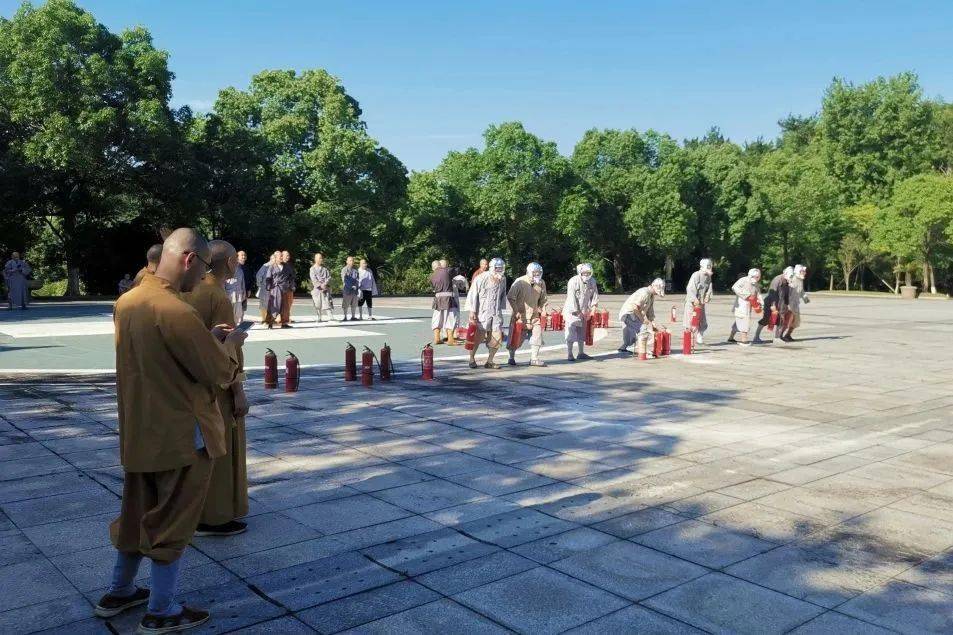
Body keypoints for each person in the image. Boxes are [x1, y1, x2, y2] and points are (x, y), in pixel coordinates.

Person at [95, 228, 246, 633]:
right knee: (173, 521)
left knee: (135, 514)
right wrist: (229, 345)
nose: (202, 278)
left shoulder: (128, 302)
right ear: (189, 260)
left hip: (141, 429)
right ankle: (162, 611)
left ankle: (119, 590)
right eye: (201, 268)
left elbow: (163, 358)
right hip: (182, 433)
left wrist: (207, 339)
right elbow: (215, 372)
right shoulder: (176, 310)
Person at [184, 240, 249, 538]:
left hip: (193, 382)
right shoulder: (217, 296)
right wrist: (238, 390)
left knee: (201, 450)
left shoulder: (190, 290)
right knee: (221, 450)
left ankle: (195, 510)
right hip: (220, 385)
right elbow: (227, 347)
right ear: (232, 263)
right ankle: (216, 516)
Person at [466, 257, 507, 369]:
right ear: (492, 267)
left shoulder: (503, 279)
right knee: (478, 338)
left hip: (496, 312)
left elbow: (503, 294)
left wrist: (502, 308)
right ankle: (471, 358)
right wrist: (472, 311)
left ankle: (490, 361)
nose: (499, 270)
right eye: (497, 268)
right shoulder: (481, 278)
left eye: (501, 268)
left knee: (497, 337)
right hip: (482, 312)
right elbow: (473, 294)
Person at [506, 262, 549, 367]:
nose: (537, 274)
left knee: (537, 337)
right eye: (534, 272)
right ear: (529, 272)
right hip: (520, 316)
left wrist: (544, 310)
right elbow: (511, 297)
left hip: (534, 316)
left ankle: (534, 358)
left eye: (539, 272)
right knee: (516, 340)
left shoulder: (541, 283)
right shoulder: (519, 281)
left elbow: (543, 299)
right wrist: (516, 311)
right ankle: (511, 357)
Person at [618, 278, 666, 354]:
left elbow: (650, 311)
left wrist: (653, 323)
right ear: (654, 287)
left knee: (631, 337)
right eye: (658, 292)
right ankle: (642, 351)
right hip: (628, 313)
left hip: (633, 314)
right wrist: (643, 320)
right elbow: (635, 307)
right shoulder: (645, 293)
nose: (657, 294)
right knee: (643, 330)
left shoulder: (651, 296)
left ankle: (623, 348)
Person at [563, 263, 600, 361]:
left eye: (588, 273)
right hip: (572, 312)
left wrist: (592, 310)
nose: (586, 275)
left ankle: (581, 352)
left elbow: (594, 296)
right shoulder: (573, 281)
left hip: (585, 311)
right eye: (584, 273)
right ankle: (570, 354)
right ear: (580, 272)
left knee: (582, 333)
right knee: (571, 333)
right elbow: (572, 298)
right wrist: (578, 312)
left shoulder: (592, 281)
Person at [754, 267, 791, 344]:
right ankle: (756, 337)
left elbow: (787, 294)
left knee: (780, 320)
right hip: (771, 303)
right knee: (766, 319)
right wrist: (773, 305)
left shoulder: (788, 281)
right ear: (785, 273)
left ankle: (777, 337)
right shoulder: (777, 280)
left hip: (781, 303)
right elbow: (772, 293)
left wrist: (787, 304)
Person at [728, 268, 763, 347]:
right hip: (741, 304)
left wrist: (761, 302)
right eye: (755, 277)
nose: (756, 279)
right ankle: (744, 340)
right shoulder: (743, 280)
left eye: (758, 277)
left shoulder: (756, 284)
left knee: (739, 321)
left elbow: (758, 294)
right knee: (744, 320)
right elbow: (735, 287)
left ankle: (731, 338)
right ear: (750, 275)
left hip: (749, 305)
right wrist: (746, 295)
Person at [684, 259, 714, 345]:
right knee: (690, 321)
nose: (709, 268)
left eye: (710, 266)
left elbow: (709, 288)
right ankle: (688, 340)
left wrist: (708, 296)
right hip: (692, 302)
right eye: (708, 266)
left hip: (701, 303)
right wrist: (695, 299)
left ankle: (699, 335)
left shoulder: (708, 276)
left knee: (702, 321)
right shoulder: (696, 275)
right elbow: (689, 288)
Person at [429, 259, 458, 345]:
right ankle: (450, 340)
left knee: (437, 318)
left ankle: (437, 338)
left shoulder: (431, 276)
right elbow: (456, 271)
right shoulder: (447, 271)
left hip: (437, 299)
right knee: (450, 317)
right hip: (449, 298)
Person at [780, 264, 810, 342]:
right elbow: (787, 292)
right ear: (798, 271)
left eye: (804, 271)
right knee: (787, 320)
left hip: (796, 304)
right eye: (803, 271)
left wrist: (805, 298)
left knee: (796, 321)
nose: (805, 273)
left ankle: (788, 335)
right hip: (789, 304)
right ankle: (779, 336)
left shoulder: (800, 280)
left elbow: (801, 290)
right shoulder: (792, 279)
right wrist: (788, 304)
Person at [255, 252, 282, 329]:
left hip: (273, 289)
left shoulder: (276, 266)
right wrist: (259, 285)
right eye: (274, 258)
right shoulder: (265, 266)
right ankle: (264, 320)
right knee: (264, 305)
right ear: (271, 259)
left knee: (272, 305)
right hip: (264, 288)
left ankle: (270, 319)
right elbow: (258, 276)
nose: (275, 260)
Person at [223, 251, 247, 326]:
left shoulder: (240, 270)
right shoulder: (227, 269)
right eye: (241, 255)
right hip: (229, 294)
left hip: (239, 294)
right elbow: (223, 282)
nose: (243, 257)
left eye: (244, 255)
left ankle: (234, 326)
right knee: (229, 313)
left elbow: (242, 282)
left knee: (238, 313)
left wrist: (244, 293)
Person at [309, 253, 334, 322]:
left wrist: (325, 284)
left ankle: (331, 316)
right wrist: (320, 285)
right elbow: (313, 279)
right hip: (317, 289)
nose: (321, 259)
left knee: (327, 302)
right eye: (319, 258)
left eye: (321, 258)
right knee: (318, 304)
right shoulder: (312, 269)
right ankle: (319, 317)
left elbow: (329, 277)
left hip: (325, 288)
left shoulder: (325, 269)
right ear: (315, 259)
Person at [275, 250, 296, 327]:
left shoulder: (288, 265)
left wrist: (292, 285)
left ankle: (285, 321)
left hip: (287, 288)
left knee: (286, 306)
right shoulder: (275, 265)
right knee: (276, 305)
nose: (288, 257)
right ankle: (273, 320)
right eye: (286, 255)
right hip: (277, 289)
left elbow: (292, 276)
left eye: (288, 255)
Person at [341, 256, 359, 321]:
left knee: (354, 304)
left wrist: (355, 286)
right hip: (347, 289)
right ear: (347, 261)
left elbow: (357, 279)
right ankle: (345, 317)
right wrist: (351, 286)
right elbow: (344, 280)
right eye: (350, 260)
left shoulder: (355, 270)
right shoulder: (344, 270)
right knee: (346, 304)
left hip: (354, 290)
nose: (352, 262)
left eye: (352, 260)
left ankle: (353, 316)